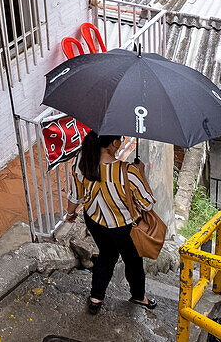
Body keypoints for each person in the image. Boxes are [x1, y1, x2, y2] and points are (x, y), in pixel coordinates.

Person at [64, 133, 158, 315]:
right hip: (123, 228)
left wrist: (70, 213)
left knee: (106, 256)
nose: (121, 143)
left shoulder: (81, 162)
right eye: (120, 140)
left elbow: (75, 193)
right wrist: (142, 174)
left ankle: (96, 298)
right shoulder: (128, 171)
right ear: (114, 143)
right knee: (133, 261)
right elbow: (147, 203)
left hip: (95, 222)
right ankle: (139, 296)